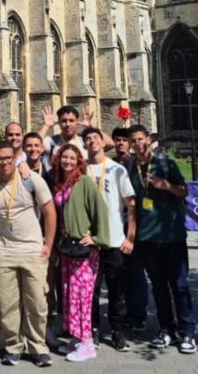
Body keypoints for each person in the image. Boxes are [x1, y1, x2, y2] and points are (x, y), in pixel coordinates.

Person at [0, 140, 56, 367]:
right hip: (3, 253)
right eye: (0, 159)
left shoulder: (32, 180)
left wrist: (48, 245)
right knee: (7, 304)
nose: (4, 162)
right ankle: (13, 346)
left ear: (15, 158)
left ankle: (38, 347)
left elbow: (50, 212)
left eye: (8, 158)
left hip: (32, 251)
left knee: (37, 303)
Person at [128, 124, 196, 354]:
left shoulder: (165, 162)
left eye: (140, 139)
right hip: (147, 238)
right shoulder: (131, 166)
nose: (137, 143)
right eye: (134, 140)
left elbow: (184, 190)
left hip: (171, 236)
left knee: (179, 285)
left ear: (149, 140)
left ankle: (188, 332)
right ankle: (166, 329)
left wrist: (165, 185)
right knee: (158, 287)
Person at [51, 144, 110, 362]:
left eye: (72, 158)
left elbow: (100, 210)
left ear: (78, 161)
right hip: (67, 248)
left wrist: (97, 238)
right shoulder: (61, 183)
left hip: (83, 250)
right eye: (64, 157)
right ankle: (77, 337)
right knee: (70, 294)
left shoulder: (85, 181)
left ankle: (87, 343)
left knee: (83, 297)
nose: (67, 161)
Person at [82, 126, 136, 352]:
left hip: (114, 240)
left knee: (116, 290)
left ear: (103, 142)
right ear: (84, 145)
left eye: (96, 137)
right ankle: (92, 329)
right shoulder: (81, 169)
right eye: (88, 139)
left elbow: (131, 205)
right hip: (89, 241)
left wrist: (130, 237)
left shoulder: (117, 169)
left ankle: (117, 331)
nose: (92, 141)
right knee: (91, 291)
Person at [111, 126, 148, 333]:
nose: (120, 143)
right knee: (121, 272)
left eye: (124, 140)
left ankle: (139, 313)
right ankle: (127, 312)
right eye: (117, 140)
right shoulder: (111, 164)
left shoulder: (136, 164)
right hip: (116, 224)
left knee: (136, 271)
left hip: (134, 225)